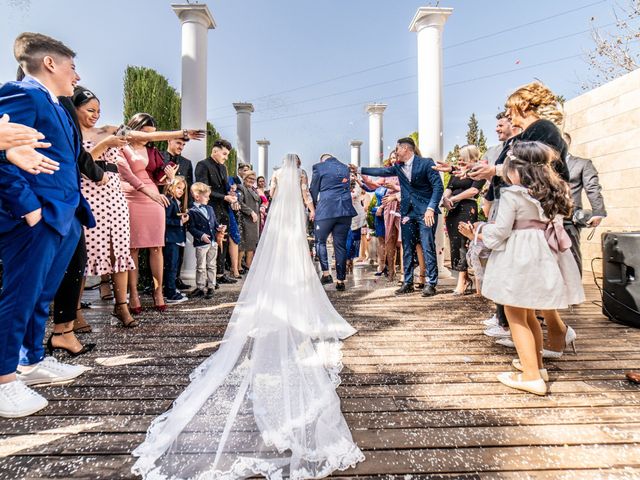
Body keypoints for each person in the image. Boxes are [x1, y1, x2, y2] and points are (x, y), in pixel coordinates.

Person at [132, 154, 364, 479]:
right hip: (293, 220)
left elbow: (271, 190)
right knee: (296, 252)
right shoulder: (299, 180)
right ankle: (300, 293)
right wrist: (309, 208)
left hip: (280, 221)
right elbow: (306, 196)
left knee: (281, 252)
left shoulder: (278, 178)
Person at [0, 32, 94, 417]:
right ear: (50, 63)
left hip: (66, 214)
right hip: (36, 216)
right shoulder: (22, 94)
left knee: (42, 293)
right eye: (72, 66)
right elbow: (6, 155)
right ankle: (4, 380)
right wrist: (28, 208)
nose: (77, 74)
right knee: (20, 294)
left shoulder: (57, 104)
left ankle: (31, 360)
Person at [460, 141, 584, 395]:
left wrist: (478, 232)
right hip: (543, 256)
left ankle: (530, 377)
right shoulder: (552, 191)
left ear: (517, 171)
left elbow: (501, 232)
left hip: (519, 257)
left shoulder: (513, 194)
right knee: (529, 313)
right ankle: (536, 365)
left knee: (516, 315)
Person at [120, 113, 203, 314]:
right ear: (134, 128)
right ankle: (134, 294)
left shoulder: (154, 152)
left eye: (152, 134)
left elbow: (159, 180)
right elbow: (125, 174)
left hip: (155, 198)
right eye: (145, 132)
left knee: (157, 246)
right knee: (133, 249)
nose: (149, 137)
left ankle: (159, 292)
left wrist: (168, 178)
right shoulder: (121, 147)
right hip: (130, 197)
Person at [355, 137, 443, 297]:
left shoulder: (426, 163)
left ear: (406, 149)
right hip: (408, 212)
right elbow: (381, 171)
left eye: (397, 149)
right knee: (407, 247)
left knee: (427, 245)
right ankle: (408, 282)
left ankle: (431, 283)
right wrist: (359, 170)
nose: (395, 152)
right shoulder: (398, 167)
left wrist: (431, 208)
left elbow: (438, 187)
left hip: (426, 212)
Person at [442, 145, 485, 295]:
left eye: (462, 156)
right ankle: (464, 278)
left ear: (471, 156)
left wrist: (454, 198)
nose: (459, 159)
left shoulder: (478, 170)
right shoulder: (457, 172)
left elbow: (474, 190)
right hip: (453, 209)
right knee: (454, 243)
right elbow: (449, 187)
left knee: (462, 242)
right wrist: (445, 198)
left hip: (467, 207)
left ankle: (462, 281)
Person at [194, 139, 239, 286]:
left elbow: (225, 187)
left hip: (224, 209)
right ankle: (209, 278)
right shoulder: (203, 165)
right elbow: (203, 189)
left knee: (223, 242)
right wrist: (224, 196)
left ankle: (220, 274)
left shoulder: (223, 168)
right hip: (209, 209)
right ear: (215, 151)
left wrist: (231, 191)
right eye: (224, 154)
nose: (226, 157)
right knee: (211, 244)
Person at [310, 155, 355, 291]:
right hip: (345, 210)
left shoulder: (319, 167)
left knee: (320, 241)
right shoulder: (345, 168)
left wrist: (313, 206)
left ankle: (326, 273)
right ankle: (340, 280)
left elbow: (314, 189)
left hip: (326, 210)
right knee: (340, 245)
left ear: (322, 160)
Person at [563, 132, 607, 272]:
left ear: (565, 144)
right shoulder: (545, 165)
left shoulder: (582, 164)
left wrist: (598, 212)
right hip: (545, 220)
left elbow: (592, 188)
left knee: (572, 256)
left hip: (569, 219)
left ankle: (575, 292)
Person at [161, 138, 194, 291]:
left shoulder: (187, 163)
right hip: (162, 205)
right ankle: (157, 282)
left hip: (180, 209)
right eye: (178, 143)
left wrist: (189, 209)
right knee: (160, 249)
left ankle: (175, 280)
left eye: (183, 144)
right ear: (169, 140)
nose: (181, 147)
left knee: (178, 249)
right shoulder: (160, 157)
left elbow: (189, 187)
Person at [188, 182, 225, 300]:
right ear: (197, 196)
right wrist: (201, 235)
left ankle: (211, 286)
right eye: (206, 196)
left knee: (211, 265)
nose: (209, 198)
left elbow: (214, 223)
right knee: (200, 266)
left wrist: (219, 228)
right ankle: (200, 287)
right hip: (201, 243)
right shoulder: (192, 211)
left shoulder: (210, 208)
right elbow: (191, 228)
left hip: (213, 242)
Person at [163, 176, 189, 304]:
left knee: (175, 266)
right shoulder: (169, 201)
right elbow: (164, 220)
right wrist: (180, 221)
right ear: (170, 186)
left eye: (183, 189)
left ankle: (171, 289)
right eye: (178, 188)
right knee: (171, 266)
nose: (181, 191)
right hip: (171, 239)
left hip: (177, 238)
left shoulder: (176, 202)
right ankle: (170, 293)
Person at [237, 170, 261, 268]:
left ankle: (248, 265)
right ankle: (238, 267)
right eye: (250, 178)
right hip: (245, 219)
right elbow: (240, 203)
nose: (252, 181)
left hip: (254, 221)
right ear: (245, 178)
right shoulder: (241, 188)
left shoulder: (253, 190)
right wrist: (251, 212)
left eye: (253, 179)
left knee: (251, 244)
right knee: (243, 245)